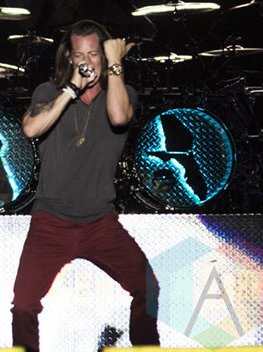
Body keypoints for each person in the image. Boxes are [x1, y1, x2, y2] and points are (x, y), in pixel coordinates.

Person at [11, 20, 160, 352]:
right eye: (79, 55)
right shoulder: (49, 92)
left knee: (147, 288)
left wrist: (115, 63)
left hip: (100, 222)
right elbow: (31, 129)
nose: (86, 62)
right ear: (68, 57)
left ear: (104, 57)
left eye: (94, 54)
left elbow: (119, 117)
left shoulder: (122, 93)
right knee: (23, 306)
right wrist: (70, 89)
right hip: (51, 221)